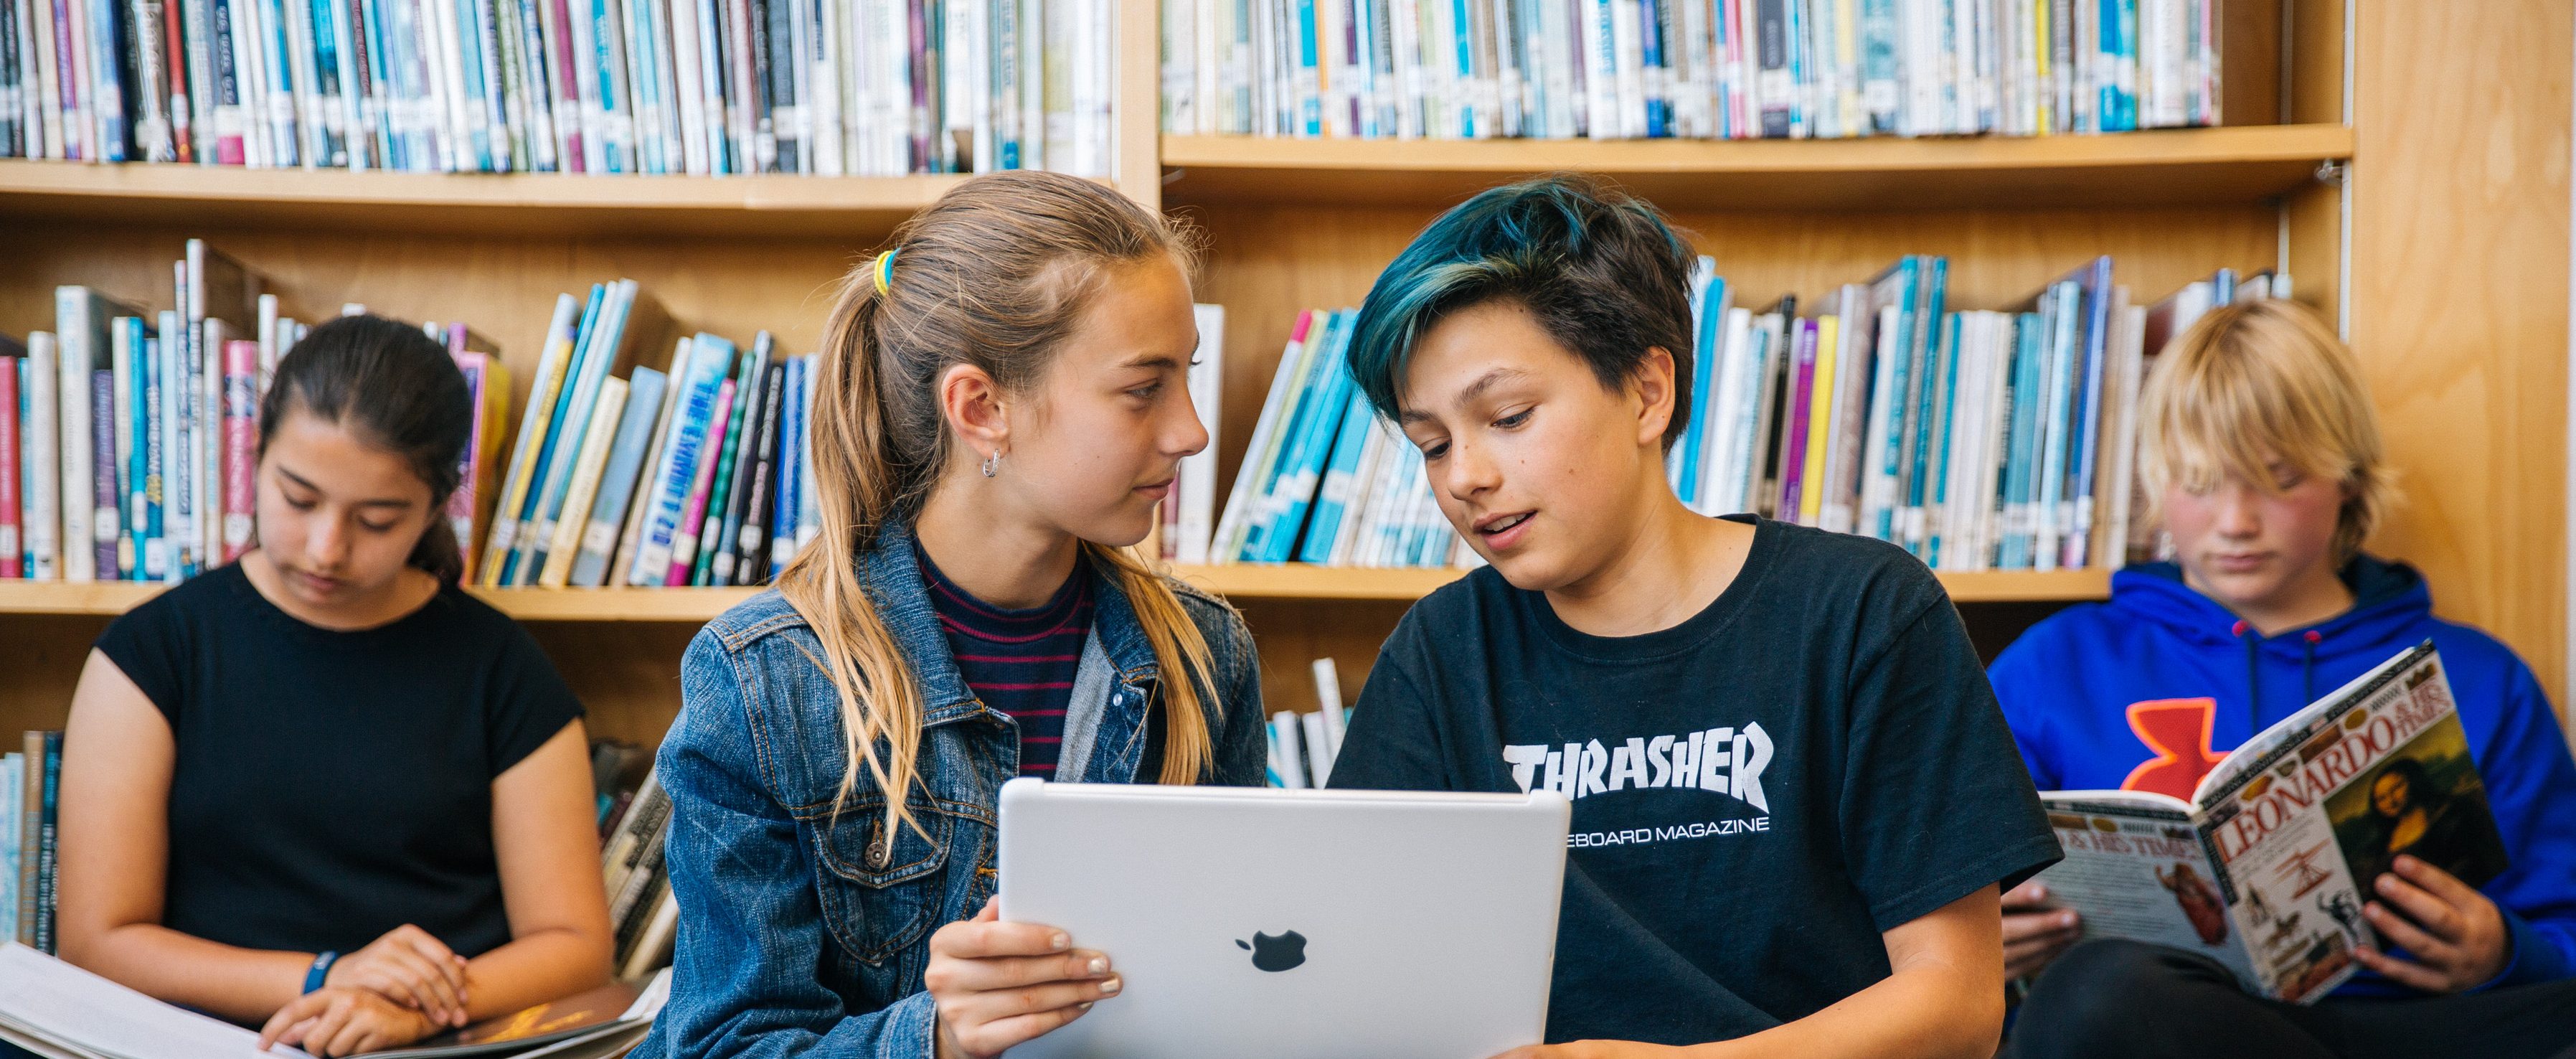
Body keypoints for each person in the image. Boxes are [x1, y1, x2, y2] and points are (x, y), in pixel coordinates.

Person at [1321, 174, 2062, 1059]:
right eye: (1431, 445)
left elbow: (1957, 1006)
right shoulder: (1440, 657)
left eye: (1508, 417)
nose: (1464, 477)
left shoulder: (1864, 613)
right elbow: (1357, 971)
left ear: (1647, 392)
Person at [636, 170, 1268, 1059]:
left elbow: (1240, 982)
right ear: (982, 409)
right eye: (1143, 388)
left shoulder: (1206, 654)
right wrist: (931, 1040)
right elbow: (720, 1045)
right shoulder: (763, 679)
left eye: (1185, 378)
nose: (1192, 432)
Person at [1988, 298, 2576, 1059]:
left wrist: (2502, 952)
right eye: (2200, 483)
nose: (2235, 520)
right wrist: (1982, 947)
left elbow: (2564, 925)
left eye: (2279, 479)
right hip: (2169, 1024)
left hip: (2413, 1028)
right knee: (2097, 992)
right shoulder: (2054, 666)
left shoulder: (2477, 676)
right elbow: (1933, 911)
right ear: (2155, 482)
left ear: (2350, 480)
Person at [53, 316, 616, 1058]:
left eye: (377, 519)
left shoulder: (499, 667)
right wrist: (329, 978)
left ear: (436, 506)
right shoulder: (155, 652)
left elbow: (576, 945)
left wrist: (415, 1009)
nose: (327, 550)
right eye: (298, 498)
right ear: (252, 458)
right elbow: (97, 943)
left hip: (438, 1044)